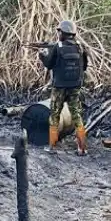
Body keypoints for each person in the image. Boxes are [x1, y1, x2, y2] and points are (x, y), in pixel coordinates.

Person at [39, 20, 88, 155]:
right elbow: (84, 67)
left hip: (59, 87)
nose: (58, 33)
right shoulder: (80, 47)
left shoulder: (57, 47)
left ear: (63, 33)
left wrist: (42, 56)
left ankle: (52, 146)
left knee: (54, 115)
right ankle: (82, 147)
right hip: (75, 87)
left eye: (59, 31)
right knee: (77, 115)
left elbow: (49, 64)